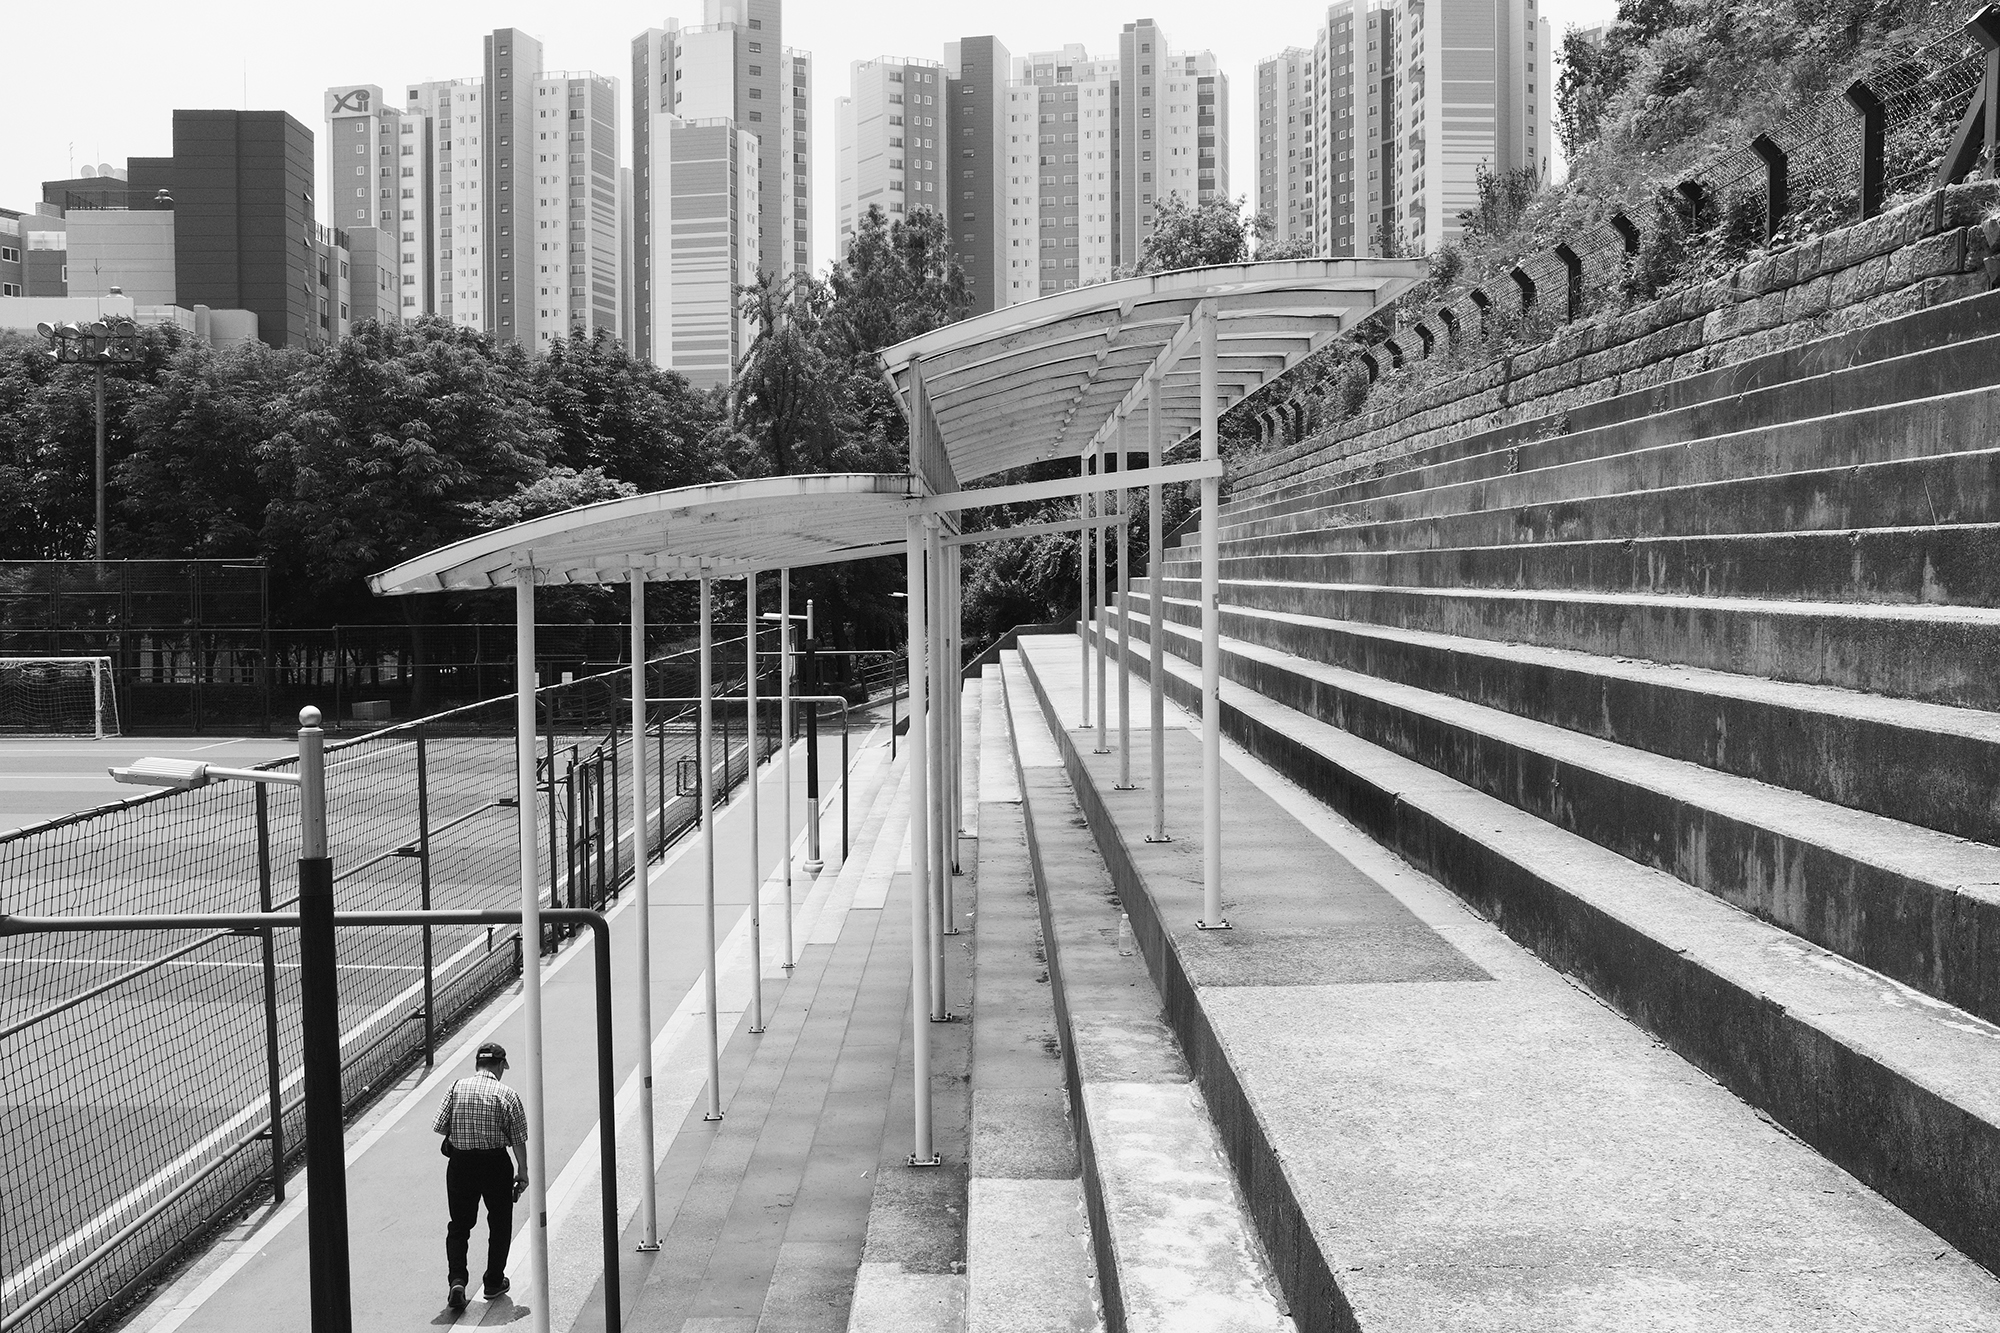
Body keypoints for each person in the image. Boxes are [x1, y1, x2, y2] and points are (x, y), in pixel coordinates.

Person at [432, 1041, 529, 1312]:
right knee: (499, 1223)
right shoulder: (507, 1094)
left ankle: (457, 1280)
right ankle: (494, 1281)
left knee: (459, 1225)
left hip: (460, 1165)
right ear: (499, 1065)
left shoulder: (456, 1088)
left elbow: (440, 1126)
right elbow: (518, 1139)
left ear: (477, 1065)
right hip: (495, 1165)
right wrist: (523, 1170)